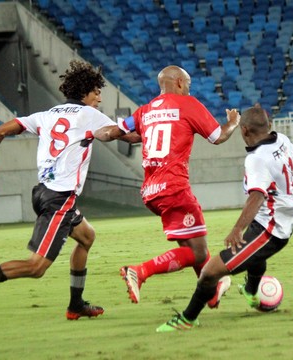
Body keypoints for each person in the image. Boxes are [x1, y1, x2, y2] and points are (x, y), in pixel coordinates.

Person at [0, 60, 122, 320]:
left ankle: (75, 305)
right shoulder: (89, 114)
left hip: (43, 192)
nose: (99, 98)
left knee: (87, 237)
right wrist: (146, 124)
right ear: (85, 92)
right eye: (97, 92)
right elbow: (121, 134)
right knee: (36, 267)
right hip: (59, 199)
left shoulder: (47, 114)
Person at [94, 65, 240, 306]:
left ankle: (211, 295)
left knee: (191, 245)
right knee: (199, 252)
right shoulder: (189, 105)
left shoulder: (144, 111)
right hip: (175, 188)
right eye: (189, 86)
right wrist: (233, 122)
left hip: (151, 192)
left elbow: (113, 133)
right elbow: (218, 137)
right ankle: (140, 271)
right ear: (180, 83)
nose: (189, 90)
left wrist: (90, 131)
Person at [155, 107, 293, 332]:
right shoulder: (281, 140)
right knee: (254, 257)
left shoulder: (257, 159)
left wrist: (237, 229)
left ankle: (188, 319)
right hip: (275, 219)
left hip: (271, 230)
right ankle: (251, 292)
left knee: (209, 273)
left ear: (244, 130)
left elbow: (257, 196)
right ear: (269, 125)